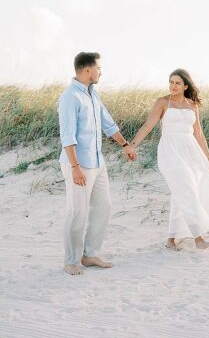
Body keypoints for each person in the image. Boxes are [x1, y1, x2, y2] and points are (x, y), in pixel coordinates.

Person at [57, 52, 137, 276]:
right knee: (77, 212)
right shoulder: (70, 96)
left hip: (98, 163)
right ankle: (71, 260)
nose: (101, 72)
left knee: (104, 206)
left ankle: (90, 254)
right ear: (87, 70)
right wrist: (75, 167)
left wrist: (125, 145)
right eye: (98, 68)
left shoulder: (93, 94)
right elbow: (67, 136)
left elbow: (108, 123)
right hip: (78, 164)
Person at [129, 69, 209, 250]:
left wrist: (208, 157)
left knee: (181, 193)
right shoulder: (162, 102)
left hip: (191, 151)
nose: (173, 86)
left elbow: (199, 134)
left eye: (177, 83)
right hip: (170, 150)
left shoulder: (192, 105)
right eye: (171, 82)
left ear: (185, 86)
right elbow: (147, 125)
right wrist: (132, 145)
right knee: (187, 189)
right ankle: (198, 238)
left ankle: (171, 238)